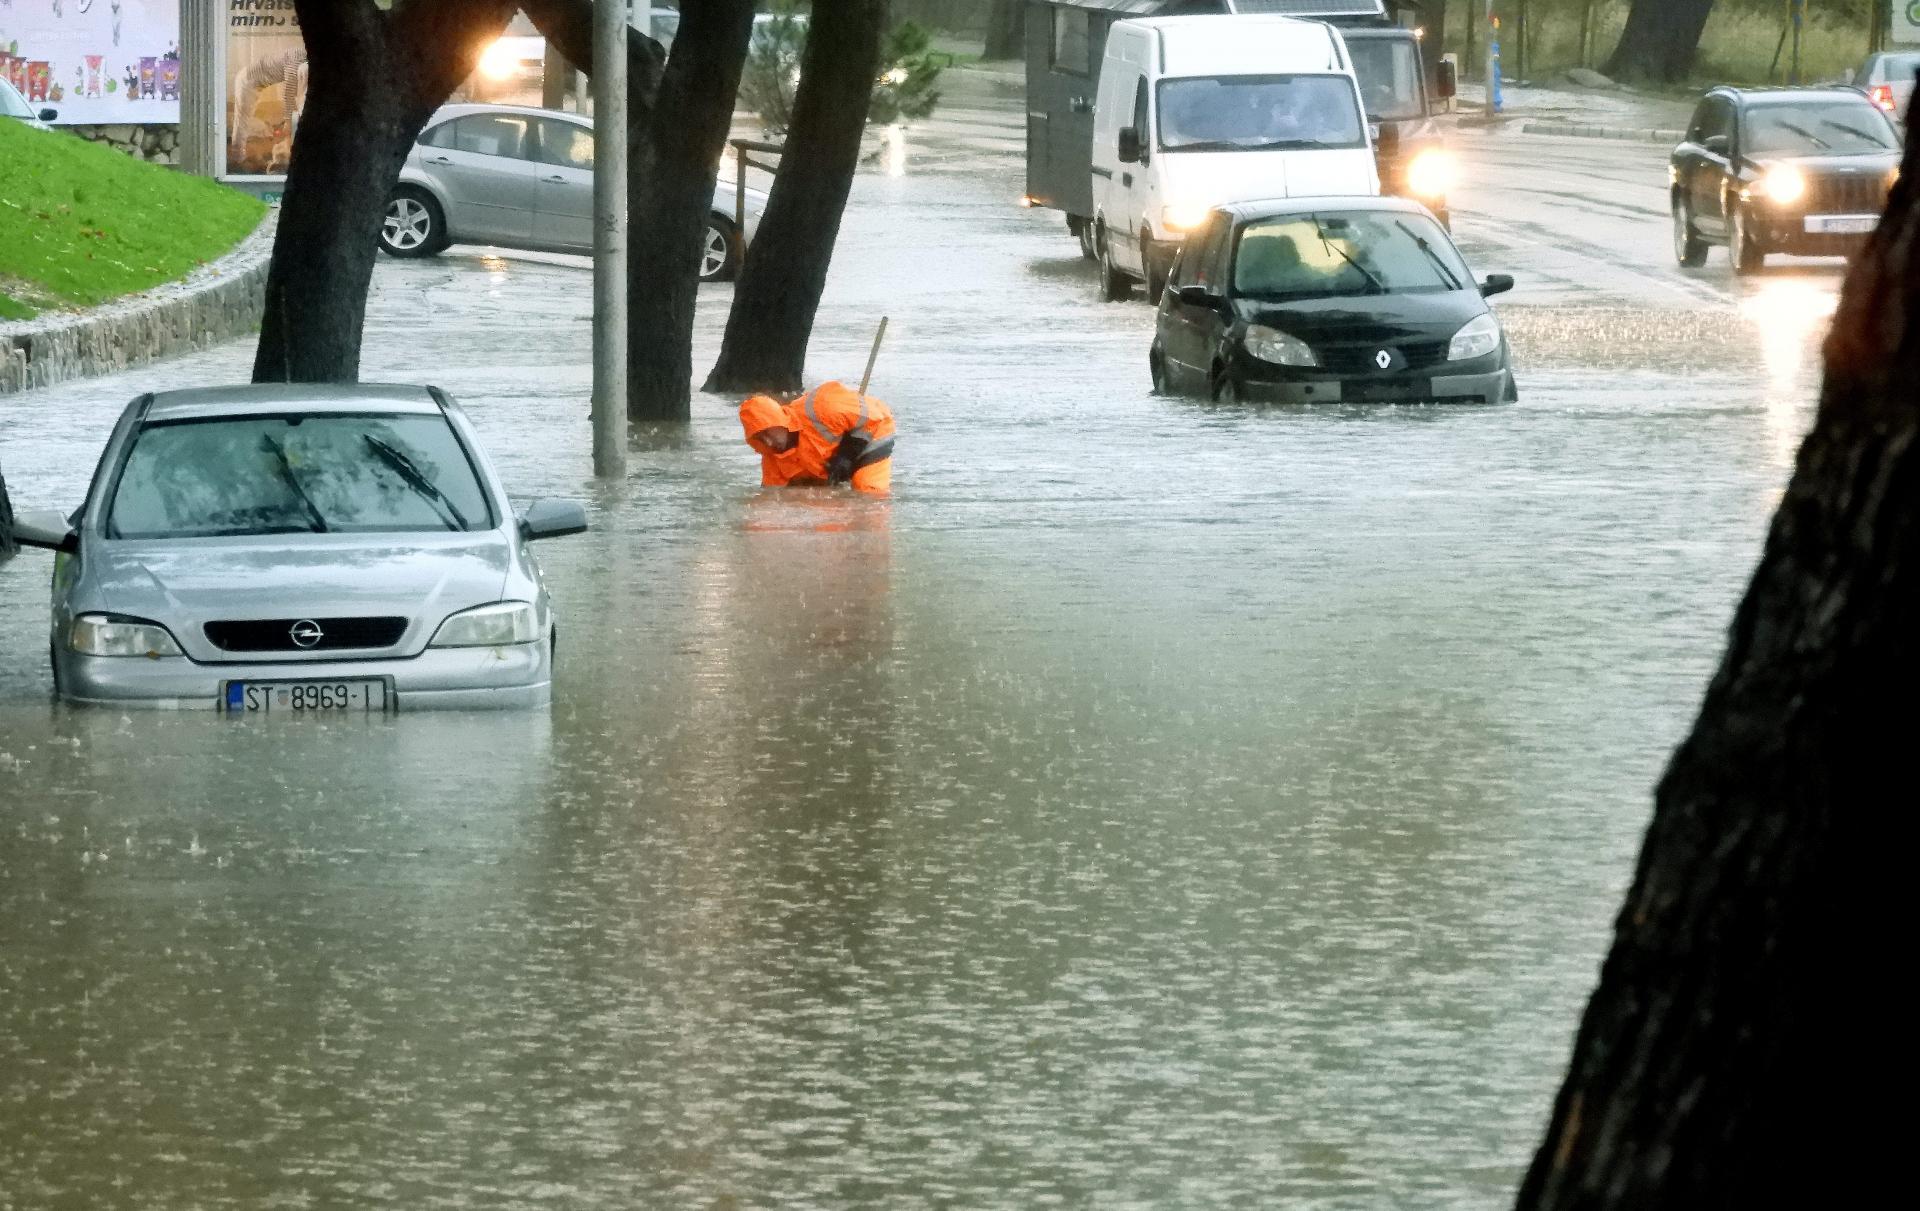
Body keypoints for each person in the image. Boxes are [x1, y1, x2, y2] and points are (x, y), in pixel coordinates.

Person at [739, 380, 896, 494]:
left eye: (767, 432)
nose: (768, 441)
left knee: (868, 493)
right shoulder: (772, 456)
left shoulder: (822, 407)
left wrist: (846, 456)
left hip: (872, 430)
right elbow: (772, 494)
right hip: (834, 458)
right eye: (760, 437)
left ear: (779, 421)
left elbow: (874, 418)